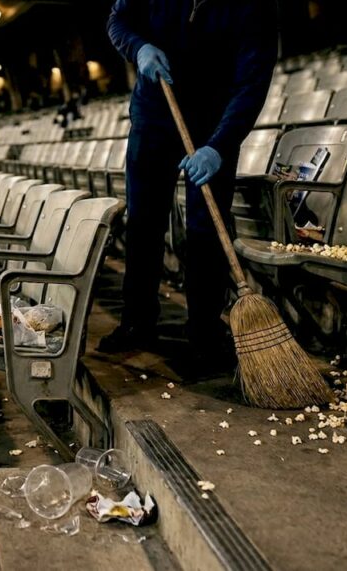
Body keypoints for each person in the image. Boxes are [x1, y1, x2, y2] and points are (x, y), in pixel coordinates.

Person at [99, 0, 278, 374]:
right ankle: (137, 322)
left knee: (207, 227)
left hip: (214, 122)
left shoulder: (254, 7)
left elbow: (252, 83)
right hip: (154, 112)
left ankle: (204, 331)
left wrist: (219, 147)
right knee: (144, 222)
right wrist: (139, 48)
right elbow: (119, 20)